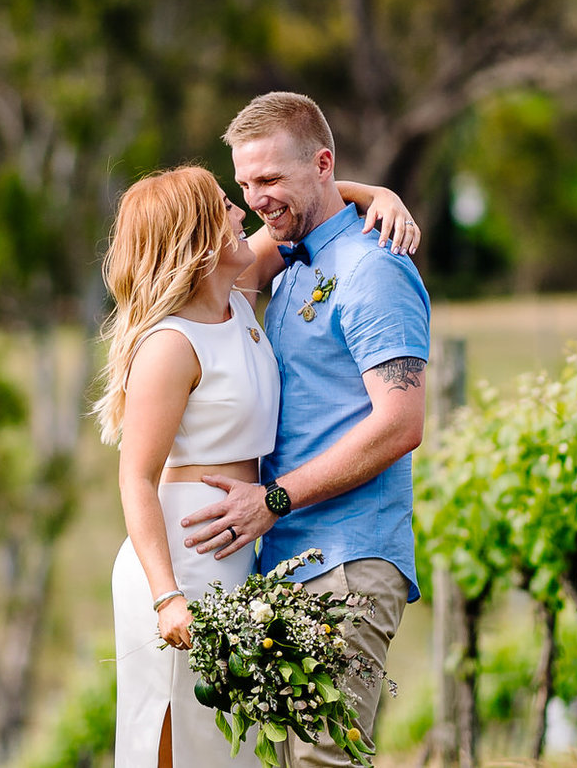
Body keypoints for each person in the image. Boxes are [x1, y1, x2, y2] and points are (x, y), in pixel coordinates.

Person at [104, 162, 421, 768]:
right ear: (197, 237)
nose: (243, 212)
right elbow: (135, 477)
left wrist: (378, 193)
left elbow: (312, 205)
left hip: (236, 549)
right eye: (225, 204)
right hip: (182, 556)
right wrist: (166, 595)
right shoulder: (172, 344)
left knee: (230, 746)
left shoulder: (237, 298)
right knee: (175, 726)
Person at [181, 93, 433, 768]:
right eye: (245, 182)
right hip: (291, 565)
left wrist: (273, 499)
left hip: (347, 561)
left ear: (321, 162)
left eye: (269, 179)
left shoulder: (374, 269)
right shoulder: (297, 260)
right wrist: (364, 188)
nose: (256, 197)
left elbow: (401, 422)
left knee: (326, 761)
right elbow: (212, 259)